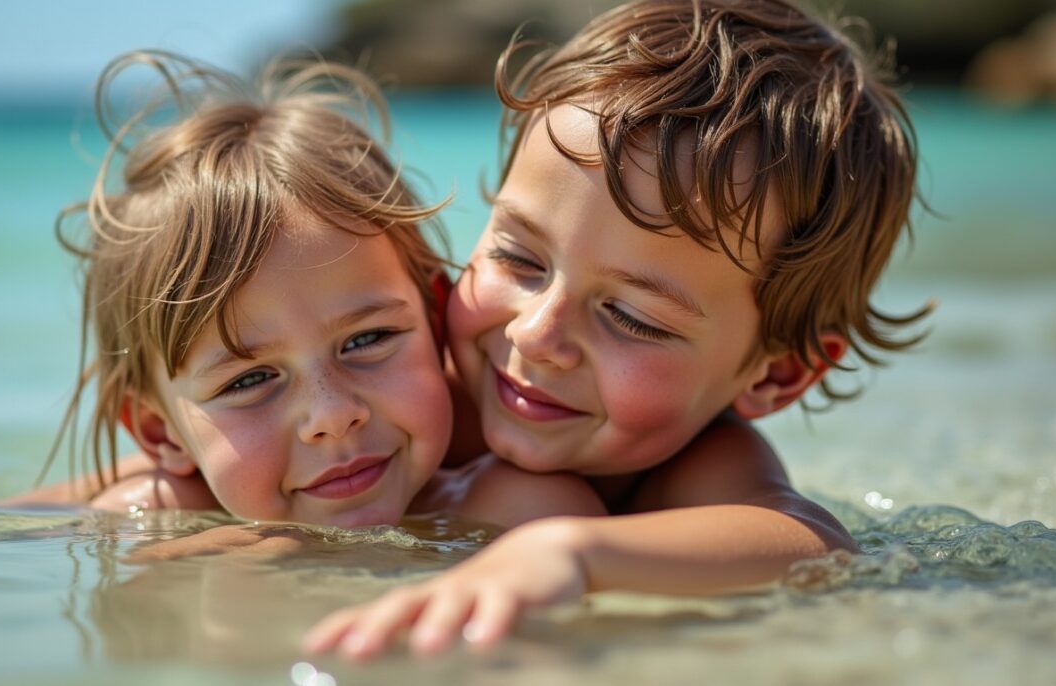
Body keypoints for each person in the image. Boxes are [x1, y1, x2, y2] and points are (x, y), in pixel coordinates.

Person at [301, 0, 931, 658]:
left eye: (631, 317)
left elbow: (816, 546)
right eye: (519, 259)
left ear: (777, 372)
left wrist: (575, 552)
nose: (537, 334)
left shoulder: (697, 467)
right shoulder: (404, 385)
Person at [6, 50, 605, 530]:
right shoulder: (155, 524)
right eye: (248, 380)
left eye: (367, 338)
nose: (333, 415)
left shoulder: (518, 515)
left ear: (436, 317)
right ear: (161, 433)